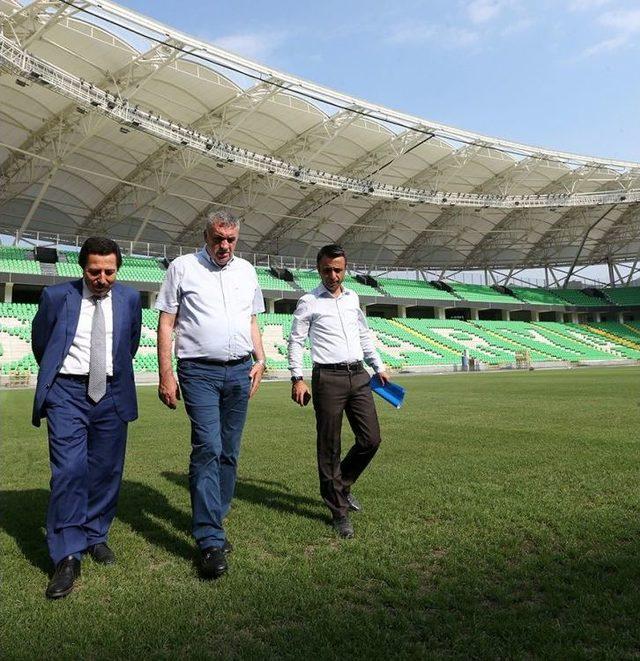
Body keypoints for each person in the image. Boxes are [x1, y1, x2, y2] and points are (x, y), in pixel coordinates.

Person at [156, 209, 266, 579]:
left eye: (231, 239)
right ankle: (209, 540)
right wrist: (166, 373)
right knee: (208, 448)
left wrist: (261, 359)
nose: (224, 245)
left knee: (229, 453)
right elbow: (167, 321)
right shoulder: (183, 268)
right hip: (198, 371)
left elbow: (252, 319)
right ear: (205, 236)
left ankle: (214, 522)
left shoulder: (247, 271)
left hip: (239, 370)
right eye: (218, 238)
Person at [31, 237, 142, 599]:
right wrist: (61, 379)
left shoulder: (128, 298)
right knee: (68, 471)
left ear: (117, 270)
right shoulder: (56, 297)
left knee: (106, 470)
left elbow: (131, 343)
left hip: (111, 392)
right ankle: (67, 553)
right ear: (83, 268)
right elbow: (41, 343)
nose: (102, 278)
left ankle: (96, 535)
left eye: (109, 271)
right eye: (95, 271)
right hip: (67, 392)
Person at [288, 244, 390, 538]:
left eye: (338, 270)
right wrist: (297, 378)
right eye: (327, 270)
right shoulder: (309, 301)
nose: (333, 275)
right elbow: (296, 342)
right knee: (329, 444)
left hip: (358, 374)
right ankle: (339, 511)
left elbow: (363, 334)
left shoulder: (352, 297)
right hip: (327, 378)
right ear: (318, 269)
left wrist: (378, 365)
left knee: (371, 439)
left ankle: (341, 487)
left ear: (345, 269)